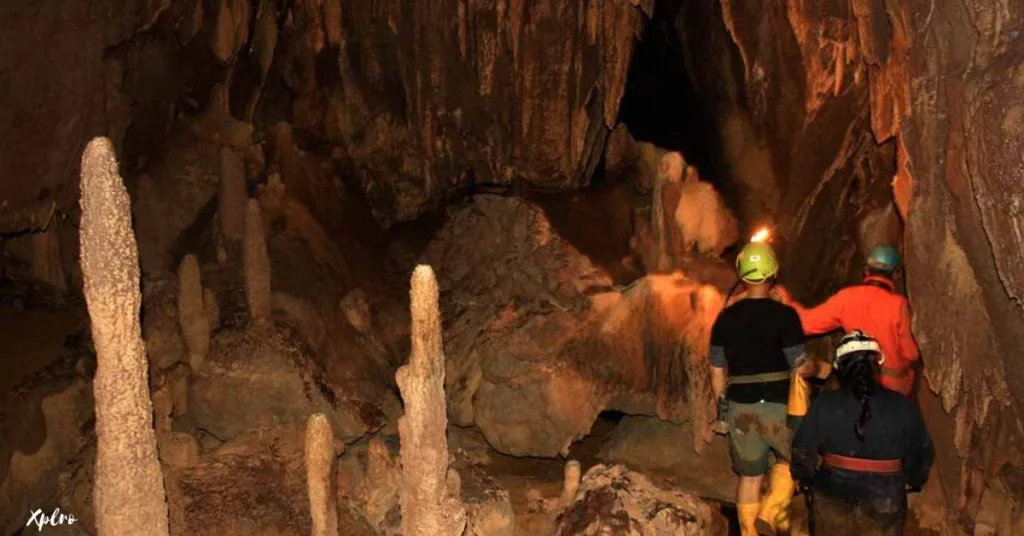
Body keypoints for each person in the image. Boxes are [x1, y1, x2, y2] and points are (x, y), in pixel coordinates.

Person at [709, 241, 823, 536]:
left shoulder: (724, 318)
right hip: (778, 404)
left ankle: (749, 532)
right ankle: (772, 510)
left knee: (749, 477)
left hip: (740, 407)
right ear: (773, 274)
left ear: (741, 276)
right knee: (790, 460)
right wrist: (821, 368)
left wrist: (722, 405)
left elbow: (717, 369)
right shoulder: (785, 316)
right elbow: (800, 365)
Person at [791, 330, 934, 535]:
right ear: (878, 365)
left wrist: (808, 482)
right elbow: (922, 452)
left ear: (839, 368)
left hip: (832, 499)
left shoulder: (825, 404)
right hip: (885, 501)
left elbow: (802, 450)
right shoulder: (902, 405)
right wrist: (911, 480)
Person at [772, 244, 920, 396]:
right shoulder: (898, 305)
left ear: (866, 271)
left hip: (856, 383)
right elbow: (911, 353)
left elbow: (807, 323)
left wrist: (789, 304)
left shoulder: (846, 298)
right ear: (895, 274)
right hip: (893, 388)